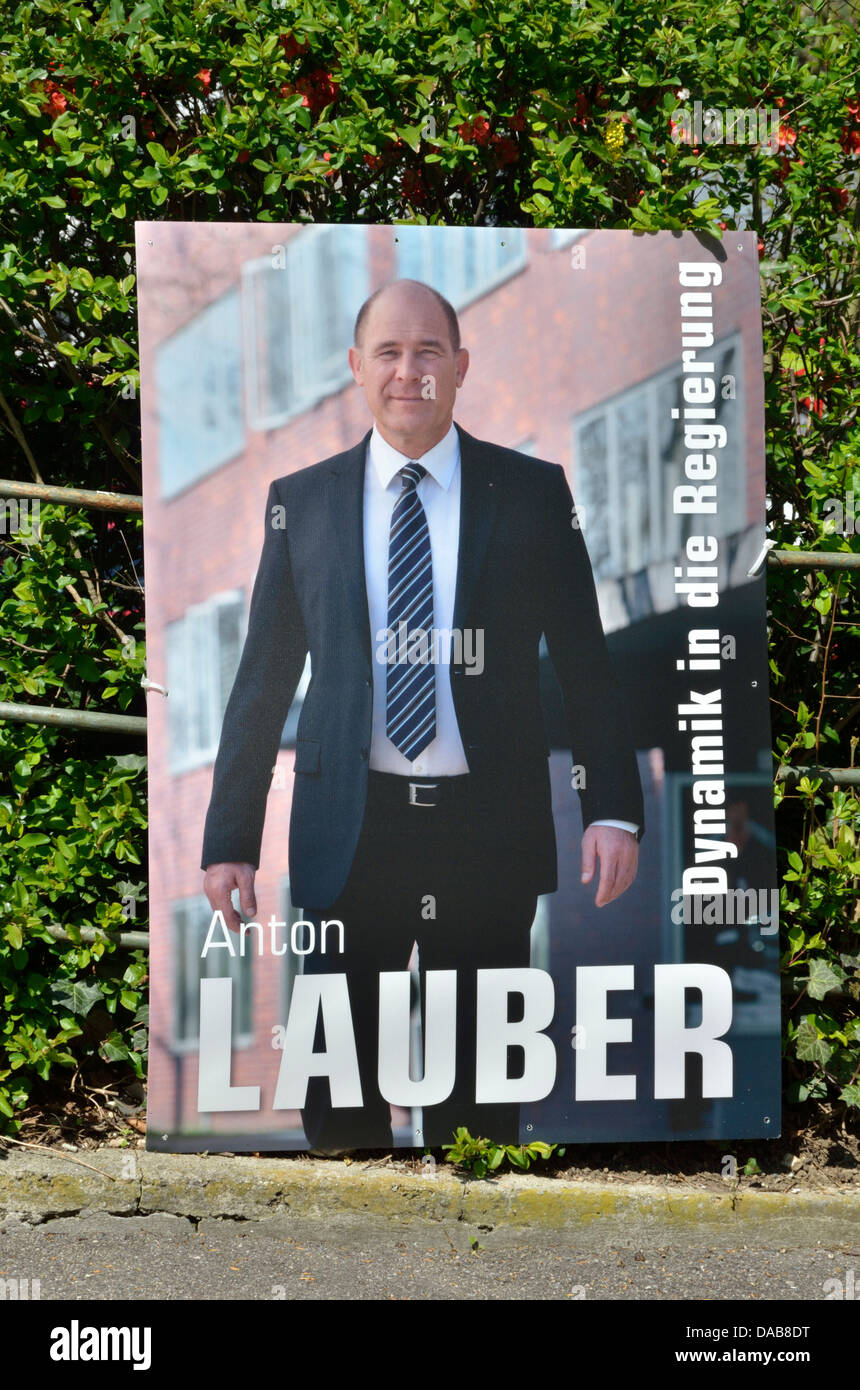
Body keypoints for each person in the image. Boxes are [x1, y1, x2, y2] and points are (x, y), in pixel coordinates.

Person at [201, 278, 644, 1149]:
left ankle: (476, 1268)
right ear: (357, 368)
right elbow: (261, 680)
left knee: (478, 1093)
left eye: (430, 352)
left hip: (487, 831)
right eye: (390, 353)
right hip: (346, 831)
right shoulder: (305, 501)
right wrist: (228, 839)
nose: (410, 372)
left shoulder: (532, 493)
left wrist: (614, 810)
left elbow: (588, 666)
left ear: (462, 367)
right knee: (338, 1092)